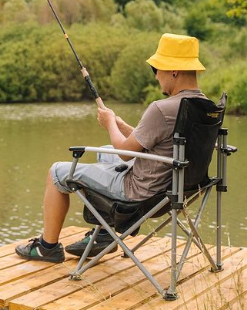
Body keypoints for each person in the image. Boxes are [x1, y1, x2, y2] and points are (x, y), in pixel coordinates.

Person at [15, 33, 208, 263]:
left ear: (173, 71)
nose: (156, 76)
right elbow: (154, 142)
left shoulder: (162, 108)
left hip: (139, 192)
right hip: (174, 190)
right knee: (104, 151)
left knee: (57, 172)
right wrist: (121, 125)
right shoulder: (202, 106)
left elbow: (125, 151)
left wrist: (108, 124)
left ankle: (47, 247)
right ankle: (104, 236)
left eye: (156, 69)